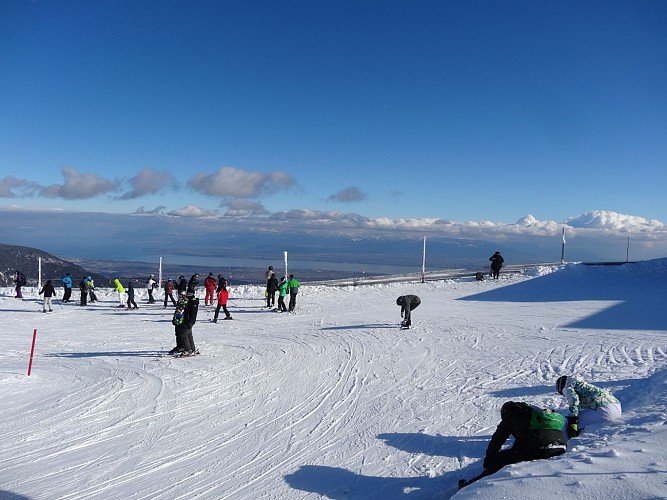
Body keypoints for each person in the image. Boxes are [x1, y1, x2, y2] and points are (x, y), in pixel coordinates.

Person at [459, 401, 566, 488]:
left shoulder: (511, 416)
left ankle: (473, 485)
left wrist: (490, 458)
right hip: (561, 447)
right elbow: (523, 442)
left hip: (541, 449)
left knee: (500, 459)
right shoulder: (532, 415)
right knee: (514, 454)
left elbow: (498, 440)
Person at [556, 375, 622, 437]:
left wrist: (572, 420)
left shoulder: (567, 387)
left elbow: (574, 400)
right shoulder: (581, 385)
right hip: (617, 408)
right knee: (580, 418)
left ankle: (560, 443)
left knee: (568, 424)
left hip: (605, 410)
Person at [170, 290, 199, 356]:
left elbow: (187, 313)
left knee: (185, 335)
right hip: (179, 321)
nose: (179, 297)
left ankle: (188, 349)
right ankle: (180, 347)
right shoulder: (180, 302)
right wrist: (174, 319)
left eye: (180, 296)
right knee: (179, 334)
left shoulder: (186, 302)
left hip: (184, 321)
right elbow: (177, 311)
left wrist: (189, 322)